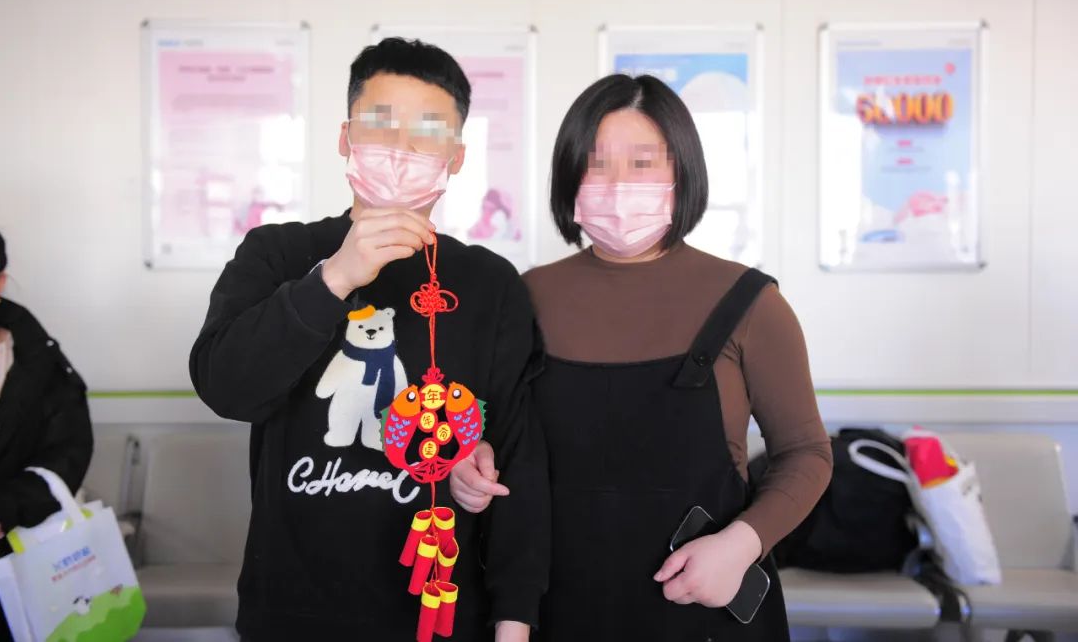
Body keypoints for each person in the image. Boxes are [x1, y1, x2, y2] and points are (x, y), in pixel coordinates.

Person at [451, 74, 833, 640]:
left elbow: (806, 453)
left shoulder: (751, 303)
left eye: (642, 163)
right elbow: (495, 442)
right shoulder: (526, 298)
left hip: (706, 608)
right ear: (569, 176)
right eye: (597, 163)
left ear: (682, 171)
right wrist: (469, 464)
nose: (618, 184)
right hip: (554, 610)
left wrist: (740, 544)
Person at [189, 38, 548, 642]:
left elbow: (519, 461)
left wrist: (514, 621)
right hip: (291, 616)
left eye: (428, 131)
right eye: (380, 124)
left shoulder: (489, 283)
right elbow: (225, 388)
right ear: (345, 138)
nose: (402, 147)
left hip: (441, 616)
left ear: (457, 156)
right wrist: (332, 280)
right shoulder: (278, 254)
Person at [0, 230, 93, 640]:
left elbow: (67, 455)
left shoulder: (39, 362)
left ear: (0, 282)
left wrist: (6, 507)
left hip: (13, 567)